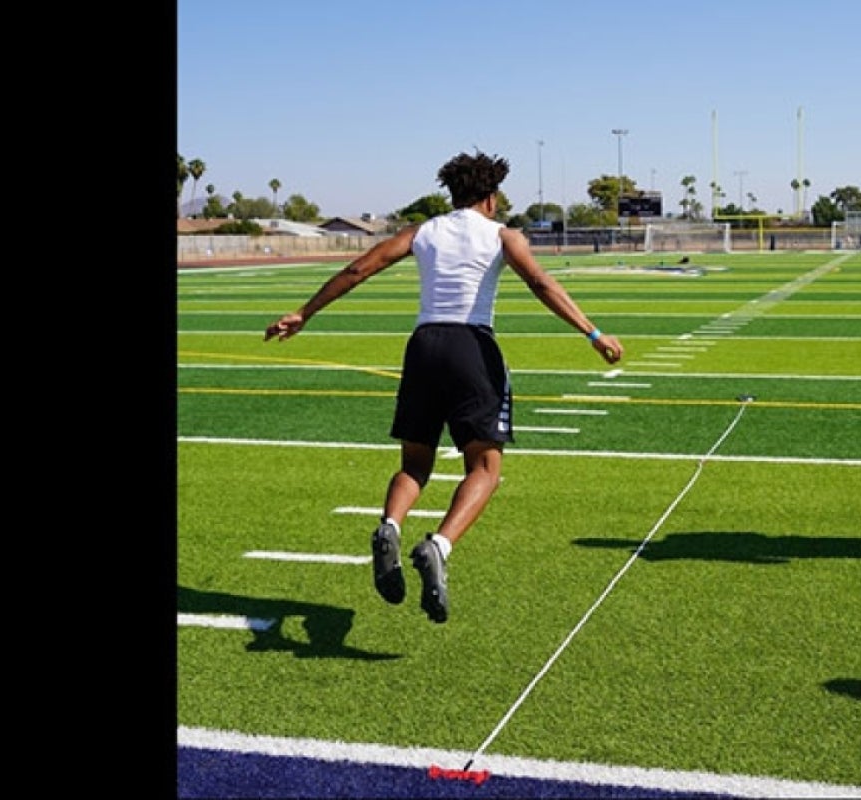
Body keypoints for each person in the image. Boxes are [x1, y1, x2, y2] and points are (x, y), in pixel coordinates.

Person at [264, 150, 624, 624]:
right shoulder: (502, 235)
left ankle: (390, 525)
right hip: (471, 346)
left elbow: (358, 270)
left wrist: (304, 314)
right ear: (491, 198)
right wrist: (593, 332)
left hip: (423, 345)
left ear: (452, 193)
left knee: (414, 463)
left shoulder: (423, 232)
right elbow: (539, 283)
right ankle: (438, 544)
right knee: (486, 466)